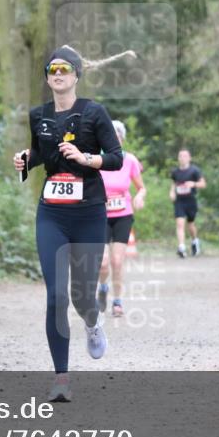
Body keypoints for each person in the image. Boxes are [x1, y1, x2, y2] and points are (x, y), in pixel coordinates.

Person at [13, 45, 122, 403]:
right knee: (56, 296)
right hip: (52, 214)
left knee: (80, 297)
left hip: (89, 213)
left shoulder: (94, 112)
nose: (58, 74)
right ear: (47, 78)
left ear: (76, 75)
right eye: (52, 70)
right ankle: (61, 378)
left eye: (65, 69)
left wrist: (87, 158)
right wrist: (25, 160)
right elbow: (41, 155)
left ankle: (93, 322)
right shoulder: (38, 115)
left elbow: (116, 159)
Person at [97, 120, 146, 317]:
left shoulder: (130, 160)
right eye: (109, 135)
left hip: (123, 215)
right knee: (102, 263)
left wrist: (140, 195)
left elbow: (141, 187)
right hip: (99, 215)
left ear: (122, 139)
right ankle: (102, 288)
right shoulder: (95, 160)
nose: (113, 139)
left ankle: (117, 301)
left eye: (117, 136)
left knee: (117, 261)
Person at [169, 148, 205, 258]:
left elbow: (203, 184)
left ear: (189, 158)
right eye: (180, 156)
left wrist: (193, 184)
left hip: (190, 201)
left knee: (191, 224)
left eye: (185, 156)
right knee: (180, 223)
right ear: (178, 158)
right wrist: (172, 192)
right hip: (179, 201)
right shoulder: (175, 172)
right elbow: (174, 184)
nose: (182, 158)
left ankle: (195, 241)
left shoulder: (195, 170)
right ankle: (182, 247)